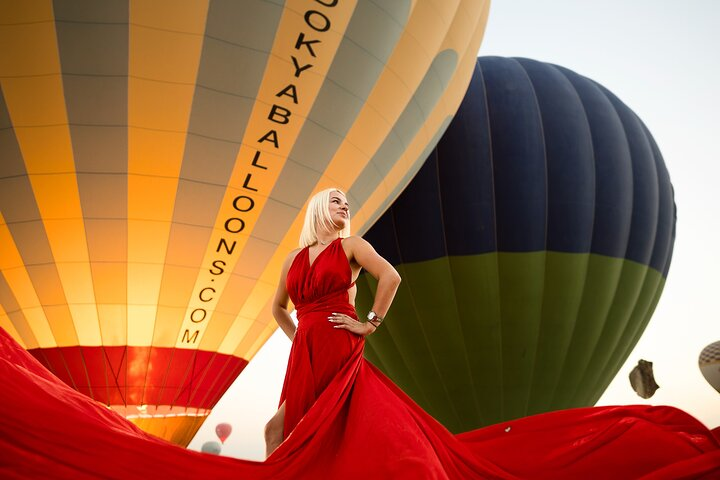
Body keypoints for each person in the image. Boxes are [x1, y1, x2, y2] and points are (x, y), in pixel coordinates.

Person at [264, 188, 401, 457]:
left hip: (338, 341)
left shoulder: (351, 246)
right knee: (276, 431)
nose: (344, 207)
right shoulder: (292, 258)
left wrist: (370, 324)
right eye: (336, 201)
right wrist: (299, 338)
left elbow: (390, 277)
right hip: (305, 350)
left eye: (347, 203)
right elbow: (278, 308)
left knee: (304, 428)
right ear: (317, 209)